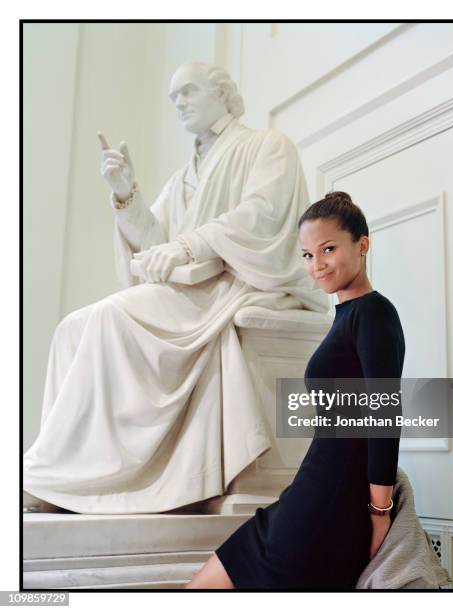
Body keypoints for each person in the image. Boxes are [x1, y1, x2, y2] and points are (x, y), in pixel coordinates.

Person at [22, 62, 327, 514]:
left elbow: (262, 216)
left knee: (110, 317)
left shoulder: (266, 146)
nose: (178, 103)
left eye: (187, 92)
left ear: (222, 93)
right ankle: (65, 472)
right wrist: (126, 195)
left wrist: (188, 246)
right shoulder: (183, 176)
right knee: (72, 326)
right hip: (191, 290)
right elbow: (155, 240)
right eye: (173, 97)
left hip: (233, 285)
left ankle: (90, 477)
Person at [184, 191, 405, 589]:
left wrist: (379, 513)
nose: (316, 264)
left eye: (328, 249)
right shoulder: (344, 316)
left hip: (331, 506)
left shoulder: (374, 313)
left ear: (363, 245)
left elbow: (384, 417)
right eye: (307, 255)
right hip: (309, 493)